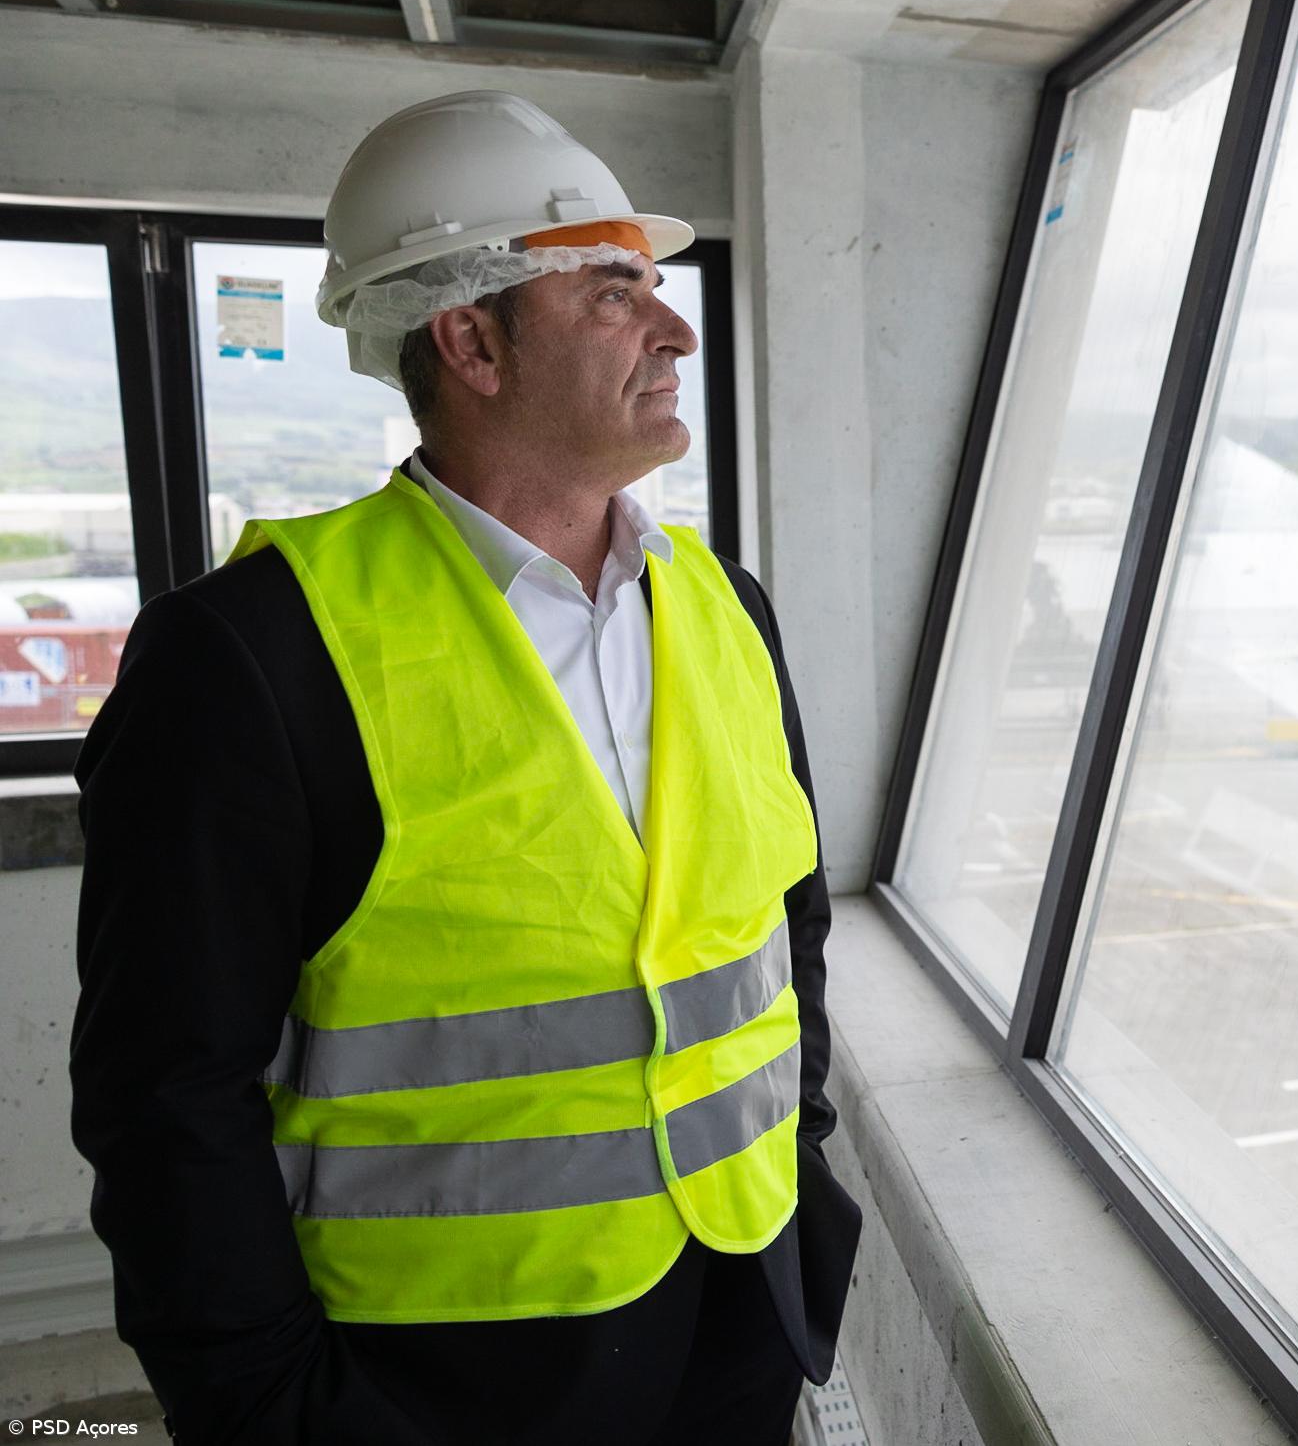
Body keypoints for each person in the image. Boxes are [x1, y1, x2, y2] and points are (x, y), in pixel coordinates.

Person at [69, 90, 859, 1444]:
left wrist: (801, 1161)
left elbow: (787, 924)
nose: (673, 329)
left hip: (740, 1316)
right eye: (615, 294)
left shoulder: (729, 606)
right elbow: (166, 1096)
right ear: (471, 340)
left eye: (654, 288)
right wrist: (271, 1408)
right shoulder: (254, 654)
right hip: (442, 1383)